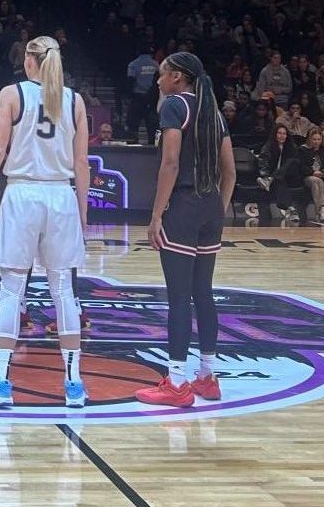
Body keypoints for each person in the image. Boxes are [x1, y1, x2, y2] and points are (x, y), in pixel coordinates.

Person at [0, 36, 90, 409]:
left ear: (28, 60)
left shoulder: (12, 94)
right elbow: (82, 163)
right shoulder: (75, 100)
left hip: (22, 193)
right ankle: (74, 385)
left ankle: (1, 381)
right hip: (61, 194)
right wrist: (82, 213)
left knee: (11, 289)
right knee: (64, 292)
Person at [137, 51, 235, 407]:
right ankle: (207, 377)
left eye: (162, 74)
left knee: (179, 296)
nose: (158, 80)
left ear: (178, 77)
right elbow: (230, 171)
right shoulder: (214, 111)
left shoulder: (174, 106)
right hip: (210, 208)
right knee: (203, 293)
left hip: (184, 206)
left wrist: (157, 214)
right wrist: (217, 211)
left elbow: (171, 162)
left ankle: (176, 381)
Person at [256, 123, 303, 222]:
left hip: (290, 176)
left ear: (287, 135)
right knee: (279, 182)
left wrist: (269, 178)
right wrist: (265, 174)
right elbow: (263, 161)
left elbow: (293, 165)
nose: (282, 136)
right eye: (279, 133)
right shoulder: (268, 146)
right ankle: (290, 209)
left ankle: (269, 180)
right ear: (275, 134)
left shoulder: (292, 147)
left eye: (284, 134)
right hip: (277, 178)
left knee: (291, 161)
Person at [126, 46, 159, 143]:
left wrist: (129, 96)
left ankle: (133, 145)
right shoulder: (156, 65)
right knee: (152, 127)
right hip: (151, 99)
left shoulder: (133, 64)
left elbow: (130, 81)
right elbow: (158, 82)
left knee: (133, 126)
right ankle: (153, 147)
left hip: (137, 98)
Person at [301, 127, 324, 223]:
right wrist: (313, 172)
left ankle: (320, 211)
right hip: (308, 176)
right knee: (316, 181)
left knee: (319, 181)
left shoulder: (322, 150)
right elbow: (301, 167)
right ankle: (321, 210)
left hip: (321, 175)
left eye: (319, 139)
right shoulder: (303, 149)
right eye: (314, 139)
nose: (316, 142)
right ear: (310, 139)